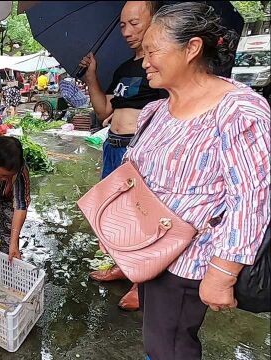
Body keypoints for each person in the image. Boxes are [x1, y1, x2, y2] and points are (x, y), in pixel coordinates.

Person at [128, 3, 271, 358]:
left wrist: (223, 270)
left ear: (191, 48)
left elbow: (251, 197)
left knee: (170, 346)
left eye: (152, 51)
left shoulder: (238, 110)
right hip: (150, 252)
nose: (143, 61)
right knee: (157, 340)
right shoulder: (155, 111)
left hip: (190, 259)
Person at [79, 0, 167, 311]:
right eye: (122, 25)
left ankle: (141, 285)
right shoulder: (124, 68)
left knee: (143, 219)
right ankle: (124, 267)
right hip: (113, 147)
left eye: (134, 23)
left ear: (155, 21)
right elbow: (104, 110)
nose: (126, 32)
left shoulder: (163, 67)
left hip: (140, 152)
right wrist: (92, 75)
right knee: (116, 216)